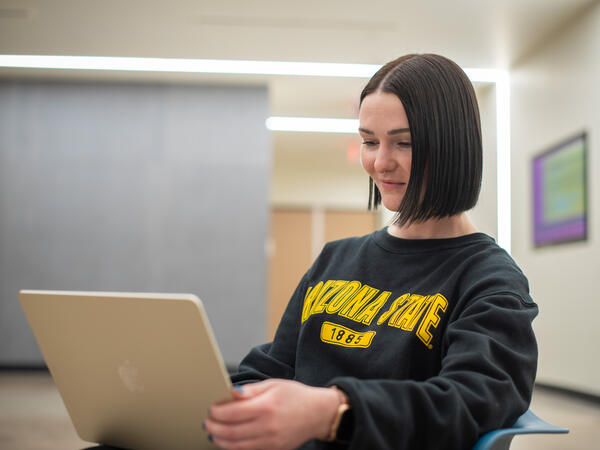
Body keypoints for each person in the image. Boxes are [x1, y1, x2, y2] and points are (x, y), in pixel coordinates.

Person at [204, 53, 538, 450]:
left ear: (453, 145)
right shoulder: (335, 259)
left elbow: (471, 401)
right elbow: (274, 366)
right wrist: (227, 401)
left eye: (404, 143)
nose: (380, 163)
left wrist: (333, 412)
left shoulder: (489, 278)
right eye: (369, 141)